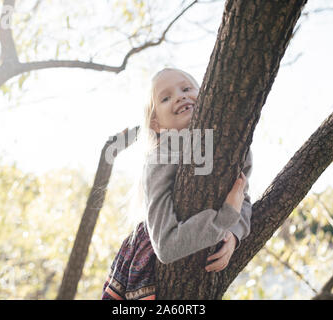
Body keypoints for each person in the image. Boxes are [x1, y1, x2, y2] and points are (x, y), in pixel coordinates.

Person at [102, 68, 253, 300]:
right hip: (156, 247)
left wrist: (233, 234)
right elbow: (166, 246)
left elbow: (243, 198)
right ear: (155, 123)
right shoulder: (160, 157)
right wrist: (224, 218)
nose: (180, 96)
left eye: (186, 89)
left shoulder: (231, 143)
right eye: (166, 97)